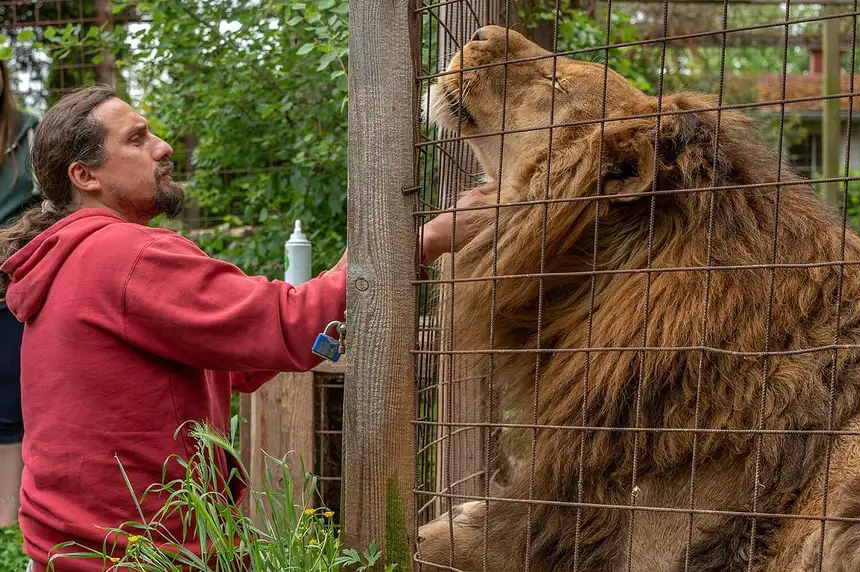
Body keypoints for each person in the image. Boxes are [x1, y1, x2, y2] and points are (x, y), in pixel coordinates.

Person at [0, 85, 491, 572]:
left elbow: (234, 357)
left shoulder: (64, 261)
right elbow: (289, 322)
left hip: (75, 551)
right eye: (136, 139)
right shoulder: (124, 255)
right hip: (145, 556)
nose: (163, 146)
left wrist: (337, 285)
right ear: (85, 176)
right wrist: (425, 240)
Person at [0, 60, 40, 530]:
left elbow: (49, 207)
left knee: (11, 408)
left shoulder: (28, 133)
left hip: (10, 292)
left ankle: (10, 520)